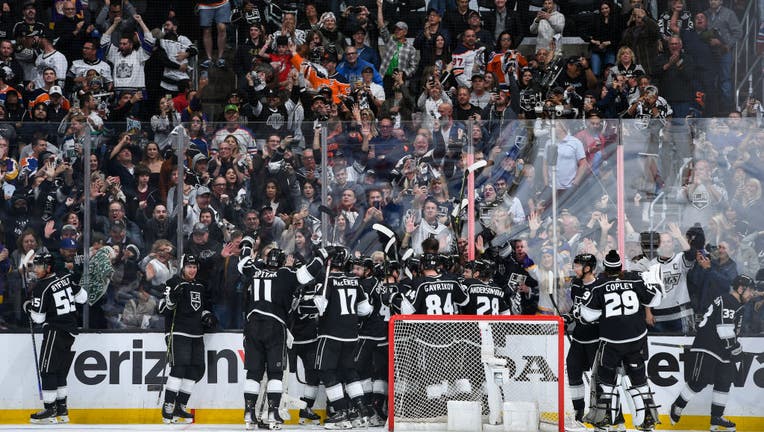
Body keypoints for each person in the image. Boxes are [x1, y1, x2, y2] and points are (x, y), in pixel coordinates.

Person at [237, 239, 324, 429]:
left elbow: (242, 262)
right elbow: (309, 272)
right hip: (274, 326)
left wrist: (247, 243)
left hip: (252, 325)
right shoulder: (285, 273)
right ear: (283, 261)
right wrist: (323, 254)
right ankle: (272, 412)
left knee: (254, 373)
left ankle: (249, 413)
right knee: (275, 373)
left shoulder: (255, 270)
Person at [580, 250, 663, 431]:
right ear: (620, 266)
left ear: (605, 268)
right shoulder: (635, 279)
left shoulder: (599, 285)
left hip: (612, 341)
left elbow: (587, 315)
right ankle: (647, 417)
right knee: (639, 379)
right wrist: (654, 281)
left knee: (607, 380)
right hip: (636, 339)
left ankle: (605, 417)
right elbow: (656, 298)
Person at [669, 275, 757, 432]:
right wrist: (736, 350)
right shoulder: (729, 301)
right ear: (741, 289)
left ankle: (716, 417)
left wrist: (735, 349)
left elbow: (730, 333)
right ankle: (678, 405)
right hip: (708, 347)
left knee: (724, 382)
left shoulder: (737, 305)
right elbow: (724, 329)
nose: (752, 294)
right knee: (699, 381)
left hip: (723, 350)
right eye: (750, 290)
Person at [312, 246, 373, 428]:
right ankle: (361, 411)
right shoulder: (354, 280)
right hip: (351, 335)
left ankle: (340, 413)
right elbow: (365, 309)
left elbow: (320, 307)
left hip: (330, 334)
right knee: (349, 372)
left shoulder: (327, 280)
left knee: (327, 372)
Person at [24, 253, 87, 424]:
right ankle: (62, 409)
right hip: (70, 331)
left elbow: (38, 319)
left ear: (48, 267)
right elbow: (83, 297)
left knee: (47, 370)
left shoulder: (41, 288)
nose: (35, 269)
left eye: (39, 266)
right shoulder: (65, 277)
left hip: (55, 331)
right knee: (59, 371)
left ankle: (49, 409)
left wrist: (28, 307)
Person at [158, 254, 218, 424]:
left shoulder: (200, 285)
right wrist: (172, 299)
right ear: (183, 267)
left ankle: (180, 406)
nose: (192, 270)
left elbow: (203, 307)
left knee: (195, 369)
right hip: (178, 332)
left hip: (196, 333)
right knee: (179, 368)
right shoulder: (173, 283)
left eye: (194, 267)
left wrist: (208, 316)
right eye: (189, 267)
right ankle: (168, 406)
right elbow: (162, 309)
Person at [564, 254, 600, 425]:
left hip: (596, 340)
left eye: (578, 266)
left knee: (599, 379)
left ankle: (600, 412)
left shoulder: (600, 286)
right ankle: (578, 411)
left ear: (588, 268)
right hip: (579, 338)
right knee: (572, 371)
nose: (574, 269)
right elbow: (575, 308)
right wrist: (568, 318)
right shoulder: (576, 284)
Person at [401, 252, 468, 315]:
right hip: (450, 326)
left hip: (428, 326)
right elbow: (465, 301)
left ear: (422, 266)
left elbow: (406, 310)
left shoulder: (420, 283)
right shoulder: (452, 280)